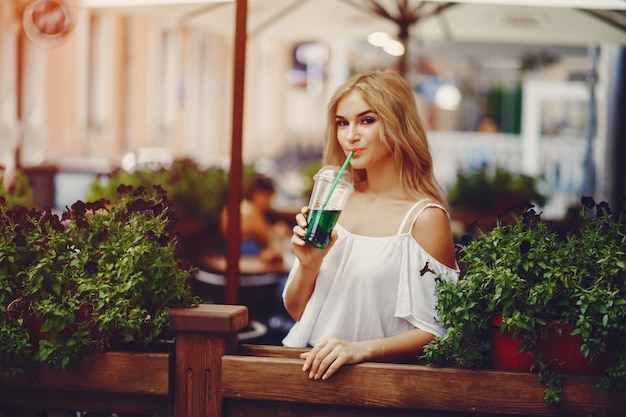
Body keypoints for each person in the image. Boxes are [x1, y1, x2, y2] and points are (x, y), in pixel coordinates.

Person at [282, 69, 460, 380]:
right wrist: (308, 265)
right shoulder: (333, 206)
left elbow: (438, 329)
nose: (351, 135)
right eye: (342, 122)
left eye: (367, 120)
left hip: (377, 391)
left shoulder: (425, 219)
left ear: (397, 124)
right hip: (308, 381)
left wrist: (362, 349)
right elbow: (300, 313)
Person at [220, 174, 289, 263]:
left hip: (232, 256)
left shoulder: (237, 206)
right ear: (258, 194)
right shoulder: (250, 211)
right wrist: (279, 231)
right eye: (268, 198)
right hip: (244, 262)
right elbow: (269, 238)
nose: (269, 204)